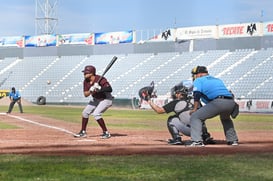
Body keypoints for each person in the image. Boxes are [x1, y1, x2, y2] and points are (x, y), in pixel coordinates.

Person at [147, 82, 215, 145]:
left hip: (190, 131)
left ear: (179, 94)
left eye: (175, 93)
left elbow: (159, 110)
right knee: (198, 116)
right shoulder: (195, 101)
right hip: (200, 131)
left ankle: (176, 139)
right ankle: (206, 136)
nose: (174, 94)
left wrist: (149, 100)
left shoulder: (175, 103)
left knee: (171, 119)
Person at [189, 66, 239, 147]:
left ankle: (197, 141)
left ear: (199, 74)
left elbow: (197, 94)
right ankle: (233, 140)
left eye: (194, 74)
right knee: (225, 119)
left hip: (218, 102)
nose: (194, 77)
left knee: (195, 117)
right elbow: (229, 93)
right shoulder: (217, 79)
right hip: (231, 102)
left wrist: (195, 109)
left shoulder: (198, 80)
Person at [74, 65, 113, 139]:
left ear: (91, 73)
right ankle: (83, 132)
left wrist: (99, 88)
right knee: (85, 113)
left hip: (106, 99)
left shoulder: (100, 79)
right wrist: (91, 90)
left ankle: (106, 133)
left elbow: (110, 89)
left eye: (86, 73)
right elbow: (86, 94)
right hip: (96, 99)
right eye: (84, 72)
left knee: (96, 114)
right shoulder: (86, 81)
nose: (84, 74)